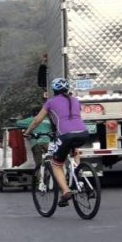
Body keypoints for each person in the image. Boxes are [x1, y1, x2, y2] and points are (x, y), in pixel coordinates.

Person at [23, 78, 89, 206]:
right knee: (74, 153)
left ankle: (65, 191)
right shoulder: (75, 100)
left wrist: (27, 132)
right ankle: (80, 180)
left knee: (56, 164)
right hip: (83, 133)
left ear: (54, 90)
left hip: (65, 135)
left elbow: (37, 120)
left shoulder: (50, 102)